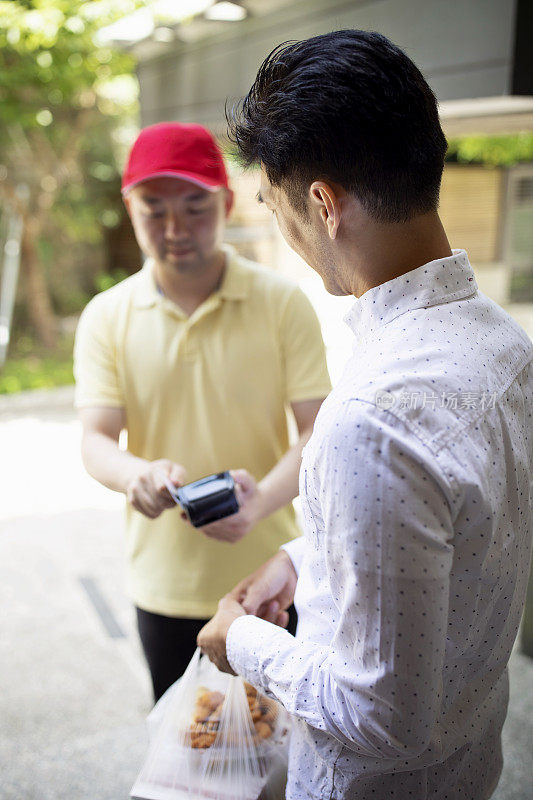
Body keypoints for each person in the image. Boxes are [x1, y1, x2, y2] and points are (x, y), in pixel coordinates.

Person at [197, 30, 533, 800]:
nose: (281, 228)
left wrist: (242, 641)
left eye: (273, 204)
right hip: (470, 768)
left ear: (321, 202)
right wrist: (298, 563)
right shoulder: (500, 342)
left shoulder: (372, 416)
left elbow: (383, 716)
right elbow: (451, 553)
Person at [73, 121, 331, 701]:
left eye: (194, 207)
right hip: (163, 586)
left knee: (283, 766)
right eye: (153, 209)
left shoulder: (282, 302)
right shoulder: (107, 317)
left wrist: (260, 501)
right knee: (184, 763)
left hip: (269, 583)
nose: (175, 229)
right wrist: (135, 475)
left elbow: (319, 429)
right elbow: (95, 439)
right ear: (129, 209)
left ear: (225, 200)